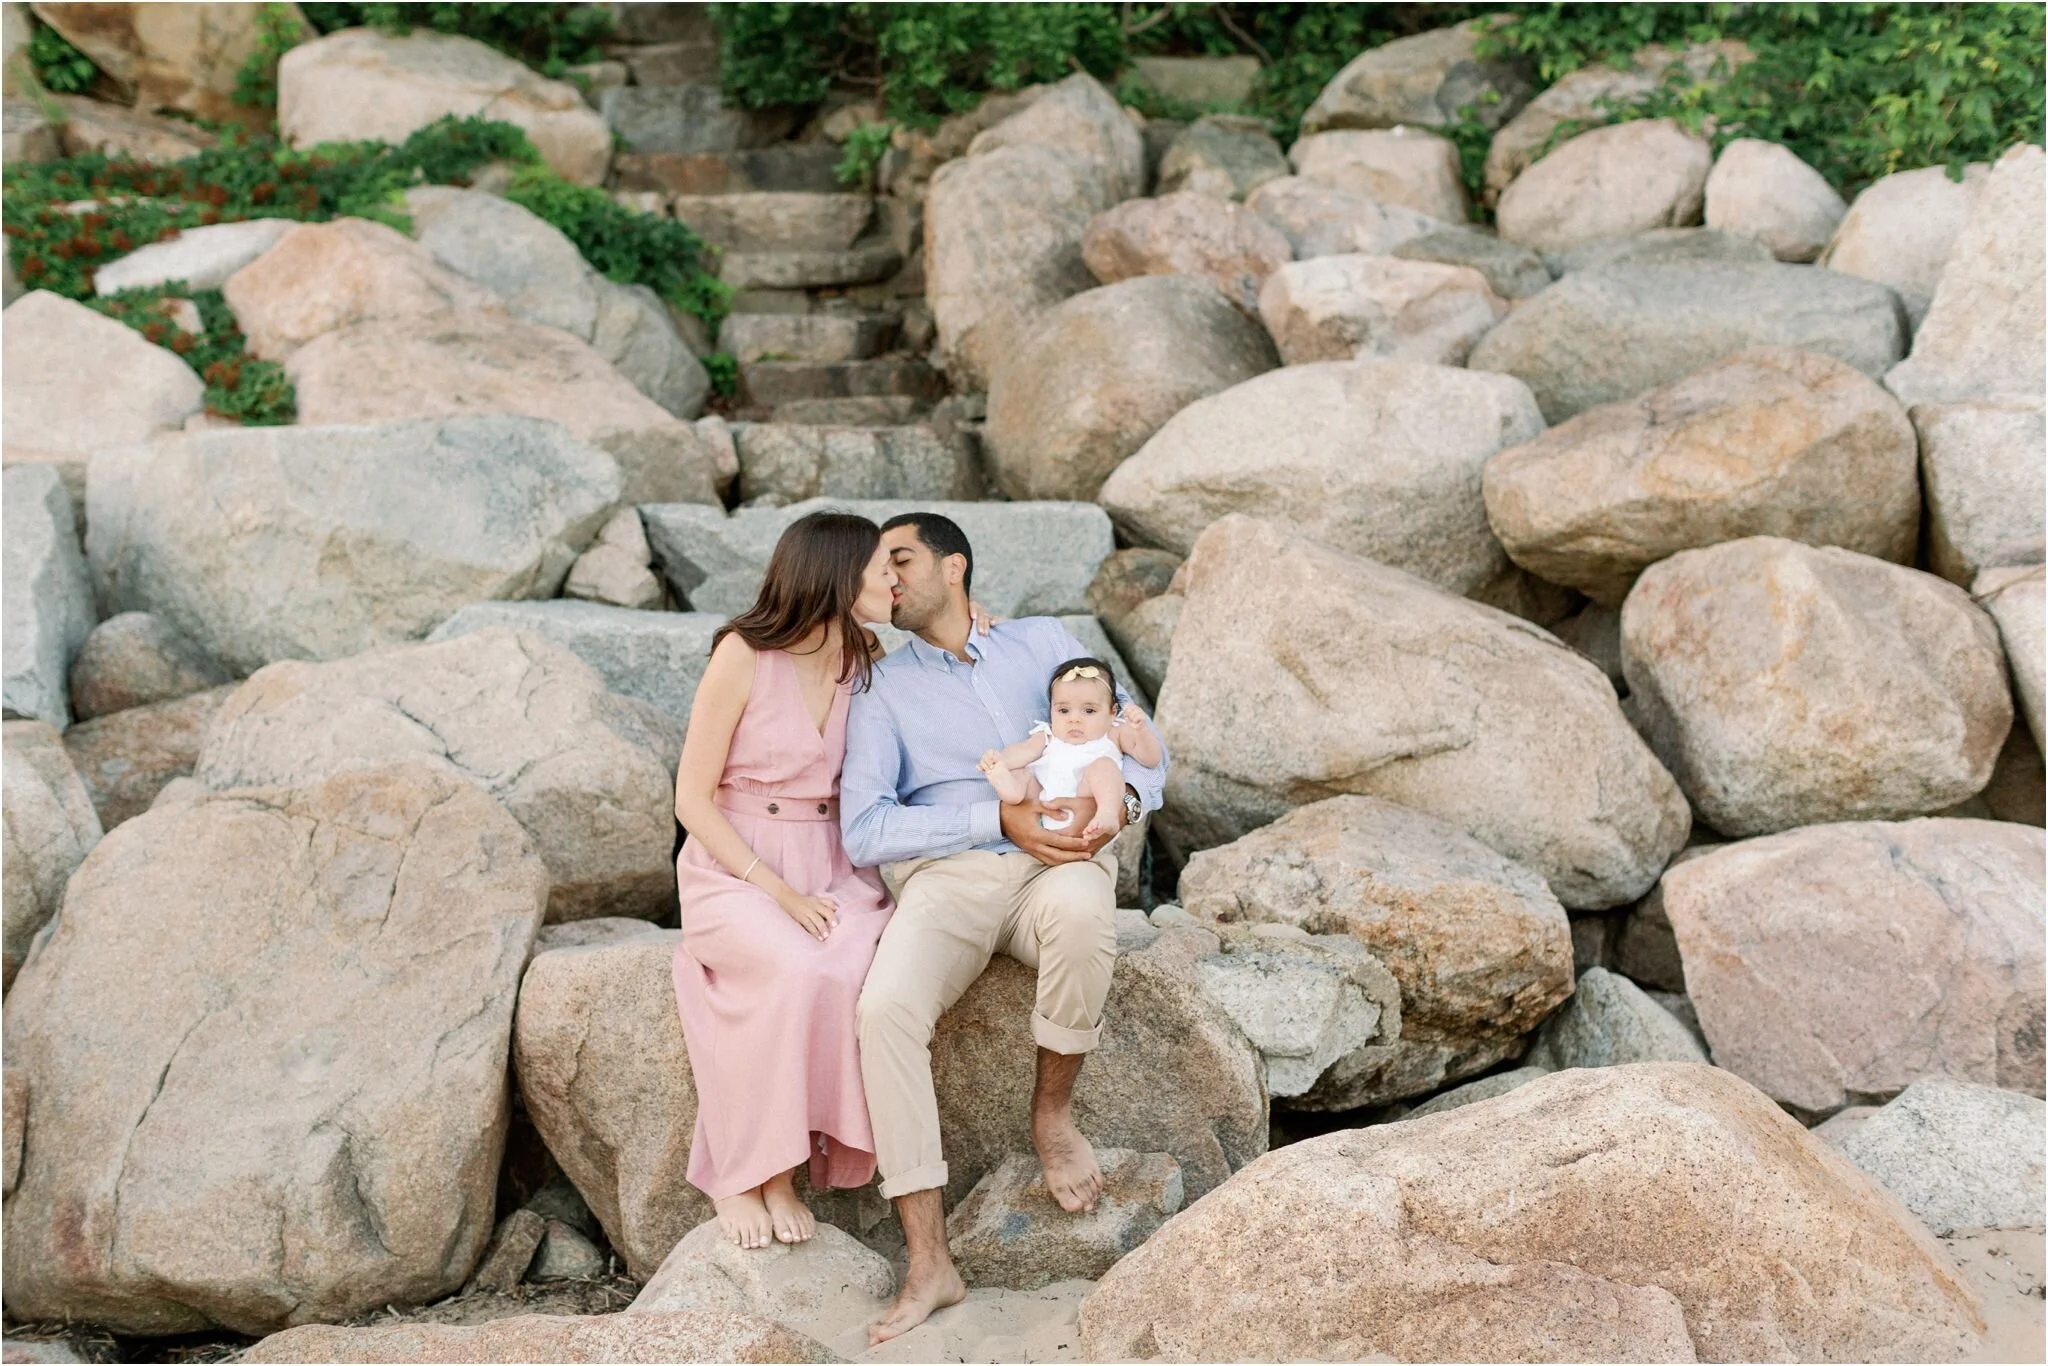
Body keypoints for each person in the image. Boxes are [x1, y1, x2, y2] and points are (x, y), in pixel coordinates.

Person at [840, 512, 1168, 1344]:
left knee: (1088, 922)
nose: (888, 579)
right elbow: (865, 829)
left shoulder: (1044, 643)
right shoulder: (878, 687)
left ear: (955, 568)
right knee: (884, 1013)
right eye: (881, 568)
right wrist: (995, 819)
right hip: (951, 877)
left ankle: (1051, 1117)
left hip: (1060, 865)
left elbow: (1136, 742)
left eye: (902, 560)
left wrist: (1122, 801)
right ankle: (930, 1260)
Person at [669, 511, 900, 1251]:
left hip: (834, 861)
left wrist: (974, 621)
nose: (893, 579)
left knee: (853, 966)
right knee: (795, 966)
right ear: (839, 576)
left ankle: (781, 1170)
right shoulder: (742, 654)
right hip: (735, 864)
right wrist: (775, 890)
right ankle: (750, 1174)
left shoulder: (865, 651)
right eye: (881, 568)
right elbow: (691, 799)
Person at [978, 657, 1164, 839]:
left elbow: (1151, 759)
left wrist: (1142, 731)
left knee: (1104, 767)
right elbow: (1024, 750)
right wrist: (999, 761)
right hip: (1044, 809)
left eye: (1089, 710)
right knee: (1022, 772)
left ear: (1112, 712)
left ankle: (1108, 814)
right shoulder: (1048, 734)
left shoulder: (1114, 732)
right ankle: (1009, 787)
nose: (1074, 719)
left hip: (1090, 806)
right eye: (1063, 710)